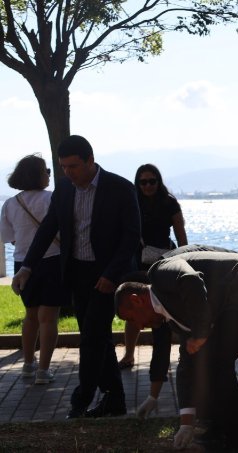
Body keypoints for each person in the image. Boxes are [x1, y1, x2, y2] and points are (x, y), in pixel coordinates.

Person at [11, 135, 140, 419]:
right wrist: (26, 267)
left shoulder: (119, 188)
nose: (68, 172)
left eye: (73, 166)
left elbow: (131, 237)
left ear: (90, 161)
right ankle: (114, 399)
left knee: (92, 337)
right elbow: (47, 229)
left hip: (107, 274)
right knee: (97, 335)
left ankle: (80, 400)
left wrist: (111, 274)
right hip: (77, 273)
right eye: (63, 167)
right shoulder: (64, 190)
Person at [114, 250, 238, 452]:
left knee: (214, 364)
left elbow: (190, 278)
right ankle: (217, 432)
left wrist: (200, 334)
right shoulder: (173, 316)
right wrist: (186, 423)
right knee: (203, 363)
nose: (138, 326)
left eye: (131, 319)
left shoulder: (159, 272)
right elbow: (186, 366)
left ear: (137, 300)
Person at [1, 155, 71, 384]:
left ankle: (28, 365)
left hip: (22, 263)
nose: (50, 173)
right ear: (38, 174)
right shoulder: (52, 199)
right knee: (49, 319)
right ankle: (43, 370)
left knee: (30, 316)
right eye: (46, 170)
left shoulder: (11, 203)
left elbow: (9, 238)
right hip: (52, 261)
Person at [118, 163, 187, 370]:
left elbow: (180, 232)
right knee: (134, 308)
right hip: (138, 260)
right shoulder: (133, 203)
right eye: (143, 182)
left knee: (165, 309)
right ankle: (129, 354)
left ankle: (167, 357)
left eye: (152, 181)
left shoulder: (169, 202)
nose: (148, 186)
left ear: (158, 181)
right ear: (137, 184)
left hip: (165, 259)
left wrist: (185, 255)